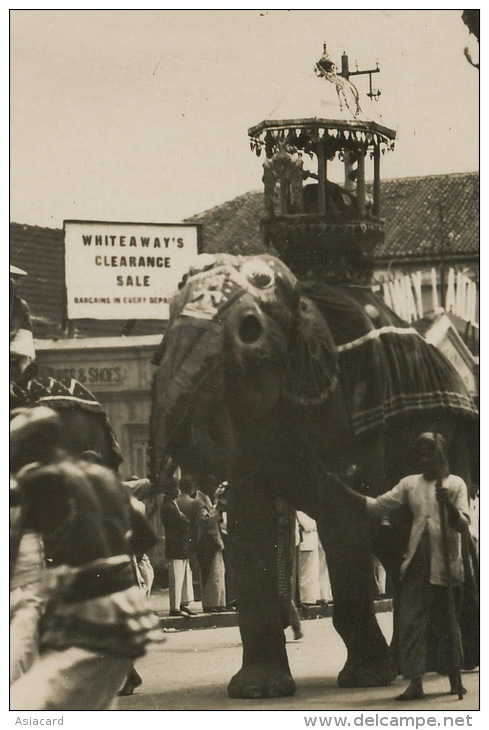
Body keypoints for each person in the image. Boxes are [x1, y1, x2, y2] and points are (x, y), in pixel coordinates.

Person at [10, 407, 160, 710]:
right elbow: (146, 538)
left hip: (90, 610)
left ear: (29, 447)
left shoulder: (36, 478)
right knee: (91, 706)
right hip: (129, 607)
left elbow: (12, 542)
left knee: (25, 703)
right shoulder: (103, 476)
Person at [366, 432, 470, 701]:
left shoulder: (455, 484)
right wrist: (344, 492)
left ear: (441, 455)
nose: (425, 459)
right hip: (416, 561)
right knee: (410, 620)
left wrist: (448, 506)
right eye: (421, 454)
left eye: (430, 453)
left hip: (445, 564)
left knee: (447, 621)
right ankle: (416, 683)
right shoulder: (410, 484)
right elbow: (379, 505)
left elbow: (462, 525)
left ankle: (455, 679)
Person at [161, 482, 197, 617]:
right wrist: (185, 520)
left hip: (179, 544)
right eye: (174, 488)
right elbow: (182, 522)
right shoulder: (168, 506)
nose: (177, 491)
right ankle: (175, 607)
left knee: (183, 575)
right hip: (175, 544)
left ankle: (182, 603)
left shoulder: (172, 504)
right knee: (176, 576)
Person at [193, 475, 226, 612]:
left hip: (214, 539)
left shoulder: (205, 499)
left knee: (218, 572)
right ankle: (210, 603)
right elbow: (205, 520)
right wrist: (217, 508)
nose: (213, 489)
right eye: (211, 486)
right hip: (208, 540)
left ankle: (218, 603)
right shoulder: (199, 501)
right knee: (211, 573)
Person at [276, 498, 302, 640]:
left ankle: (295, 625)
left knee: (282, 591)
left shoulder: (286, 512)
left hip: (282, 553)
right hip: (276, 552)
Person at [296, 511, 332, 606]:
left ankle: (324, 596)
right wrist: (317, 524)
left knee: (320, 569)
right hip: (307, 536)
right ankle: (308, 598)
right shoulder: (299, 509)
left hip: (317, 537)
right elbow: (307, 524)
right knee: (309, 570)